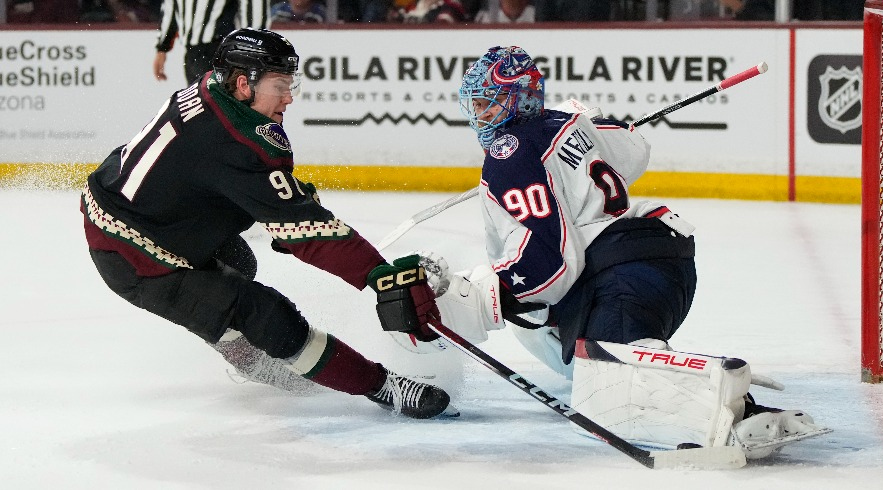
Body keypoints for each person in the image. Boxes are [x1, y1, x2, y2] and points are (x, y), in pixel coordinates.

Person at [412, 45, 829, 457]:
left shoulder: (508, 154)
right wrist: (592, 127)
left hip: (623, 274)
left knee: (612, 398)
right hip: (661, 259)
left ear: (519, 97)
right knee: (570, 356)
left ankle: (732, 418)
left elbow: (551, 265)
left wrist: (480, 300)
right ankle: (712, 396)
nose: (480, 115)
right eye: (478, 105)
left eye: (489, 104)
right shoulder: (567, 121)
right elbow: (634, 152)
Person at [80, 27, 456, 420]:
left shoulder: (213, 87)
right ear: (244, 83)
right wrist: (379, 274)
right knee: (269, 316)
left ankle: (231, 333)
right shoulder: (235, 141)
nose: (289, 96)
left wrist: (280, 203)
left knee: (240, 264)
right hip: (136, 256)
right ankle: (382, 386)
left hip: (132, 210)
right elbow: (307, 232)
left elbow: (215, 178)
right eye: (281, 85)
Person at [153, 0, 269, 84]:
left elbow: (254, 8)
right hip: (194, 53)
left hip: (220, 47)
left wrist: (252, 46)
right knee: (203, 109)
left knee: (218, 109)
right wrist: (162, 48)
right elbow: (171, 8)